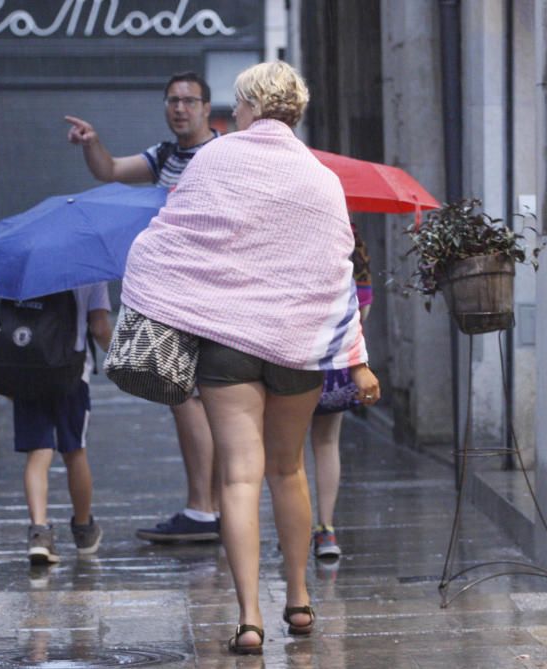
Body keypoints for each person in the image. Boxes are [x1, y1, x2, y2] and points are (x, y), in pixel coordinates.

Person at [119, 61, 380, 654]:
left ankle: (249, 619)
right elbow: (338, 273)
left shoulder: (214, 159)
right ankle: (300, 600)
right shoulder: (319, 179)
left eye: (235, 106)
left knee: (238, 477)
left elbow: (164, 240)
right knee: (287, 471)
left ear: (250, 107)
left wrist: (166, 297)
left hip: (228, 346)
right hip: (298, 348)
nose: (230, 115)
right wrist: (356, 357)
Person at [65, 71, 221, 543]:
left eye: (189, 101)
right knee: (192, 396)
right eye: (172, 100)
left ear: (206, 109)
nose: (179, 108)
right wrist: (93, 142)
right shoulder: (166, 154)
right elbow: (110, 170)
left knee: (190, 396)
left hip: (208, 289)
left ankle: (204, 509)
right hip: (176, 289)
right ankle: (210, 507)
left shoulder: (220, 154)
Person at [14, 284, 113, 565]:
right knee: (74, 450)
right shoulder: (90, 270)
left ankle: (39, 533)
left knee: (39, 449)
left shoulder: (23, 263)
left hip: (27, 368)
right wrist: (121, 355)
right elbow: (99, 327)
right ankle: (83, 530)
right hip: (71, 370)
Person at [310, 227, 373, 560]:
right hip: (335, 359)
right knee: (327, 442)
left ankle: (292, 523)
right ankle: (325, 528)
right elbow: (362, 310)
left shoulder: (288, 234)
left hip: (290, 356)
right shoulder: (351, 238)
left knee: (286, 452)